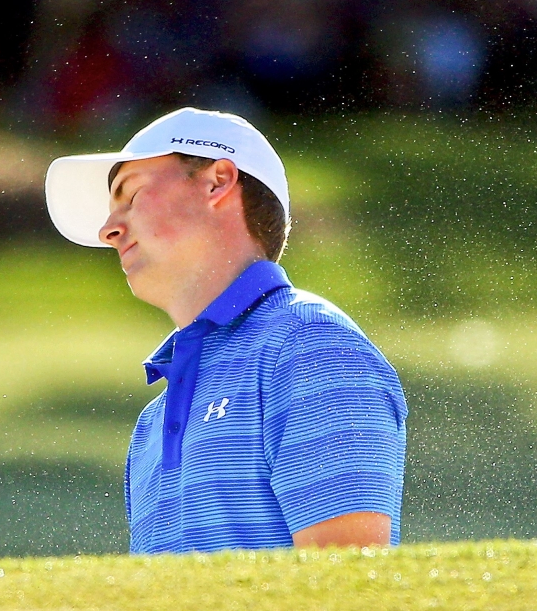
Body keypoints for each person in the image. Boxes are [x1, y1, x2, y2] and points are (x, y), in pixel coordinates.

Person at [44, 107, 407, 552]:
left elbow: (350, 589)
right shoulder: (150, 424)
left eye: (132, 196)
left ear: (217, 181)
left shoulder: (309, 344)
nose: (108, 230)